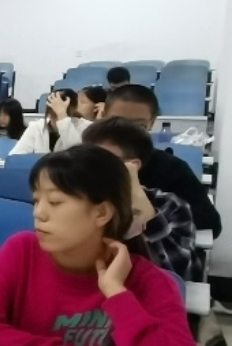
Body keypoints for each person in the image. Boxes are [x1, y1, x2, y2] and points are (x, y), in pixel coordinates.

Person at [0, 145, 199, 346]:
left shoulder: (149, 282)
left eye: (55, 202)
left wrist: (116, 293)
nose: (38, 212)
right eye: (36, 200)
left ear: (101, 213)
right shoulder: (21, 251)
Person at [83, 118, 201, 282]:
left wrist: (137, 196)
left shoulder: (169, 205)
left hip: (147, 292)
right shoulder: (76, 203)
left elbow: (174, 273)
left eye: (100, 161)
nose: (88, 169)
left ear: (132, 165)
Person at [104, 84, 221, 238]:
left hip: (148, 247)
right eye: (117, 122)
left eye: (138, 125)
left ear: (152, 123)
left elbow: (209, 222)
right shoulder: (83, 162)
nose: (126, 131)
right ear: (103, 117)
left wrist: (152, 213)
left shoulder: (171, 168)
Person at [9, 89, 87, 156]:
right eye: (54, 112)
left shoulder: (85, 127)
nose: (58, 118)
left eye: (66, 113)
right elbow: (15, 157)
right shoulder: (36, 127)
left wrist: (62, 115)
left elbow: (77, 156)